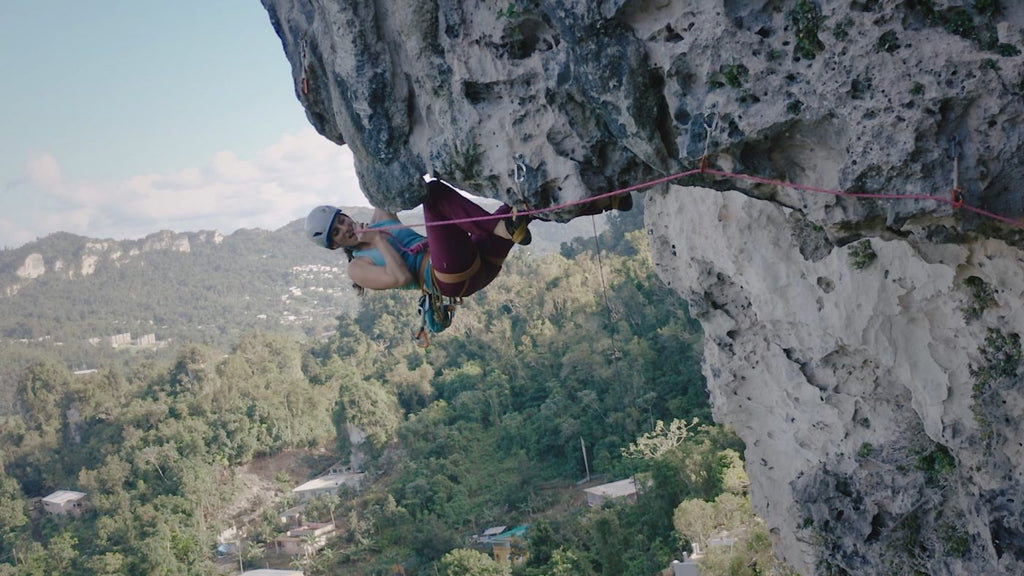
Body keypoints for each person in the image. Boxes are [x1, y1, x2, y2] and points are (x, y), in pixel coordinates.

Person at [305, 178, 633, 299]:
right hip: (445, 277)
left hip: (477, 261)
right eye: (336, 234)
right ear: (336, 247)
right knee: (433, 195)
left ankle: (605, 199)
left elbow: (395, 181)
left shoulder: (381, 217)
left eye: (341, 221)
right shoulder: (358, 267)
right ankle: (497, 228)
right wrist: (377, 242)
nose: (344, 229)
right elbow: (402, 276)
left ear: (346, 214)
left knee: (524, 204)